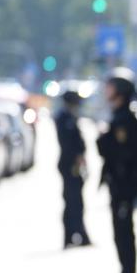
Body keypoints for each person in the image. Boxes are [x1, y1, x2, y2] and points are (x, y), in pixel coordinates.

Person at [97, 68, 137, 273]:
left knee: (125, 236)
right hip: (118, 185)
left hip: (124, 186)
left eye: (111, 86)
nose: (107, 90)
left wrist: (103, 137)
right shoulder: (118, 116)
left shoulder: (126, 120)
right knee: (120, 235)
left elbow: (120, 153)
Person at [54, 90, 91, 248]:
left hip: (73, 164)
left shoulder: (69, 117)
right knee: (72, 200)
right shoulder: (64, 118)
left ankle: (76, 234)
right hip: (69, 165)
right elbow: (70, 144)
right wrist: (78, 158)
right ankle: (74, 235)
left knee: (75, 201)